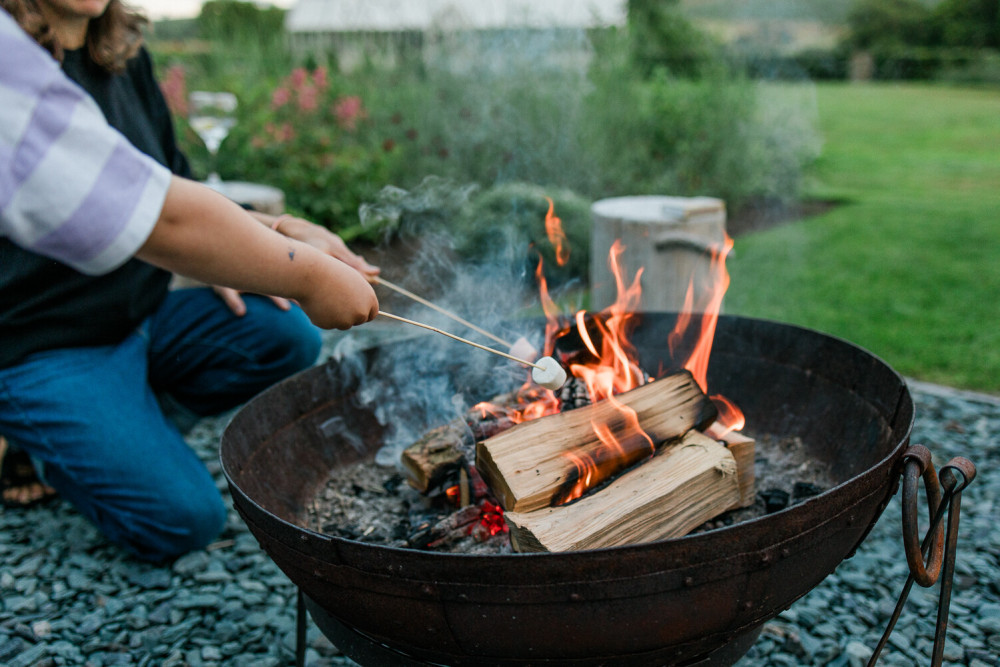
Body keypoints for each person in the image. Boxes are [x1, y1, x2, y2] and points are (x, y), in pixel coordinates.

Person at [0, 3, 379, 561]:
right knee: (183, 520)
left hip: (141, 315)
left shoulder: (122, 58)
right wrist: (306, 274)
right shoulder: (13, 69)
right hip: (44, 343)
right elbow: (164, 223)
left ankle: (123, 425)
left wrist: (280, 231)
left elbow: (168, 189)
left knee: (284, 334)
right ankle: (49, 450)